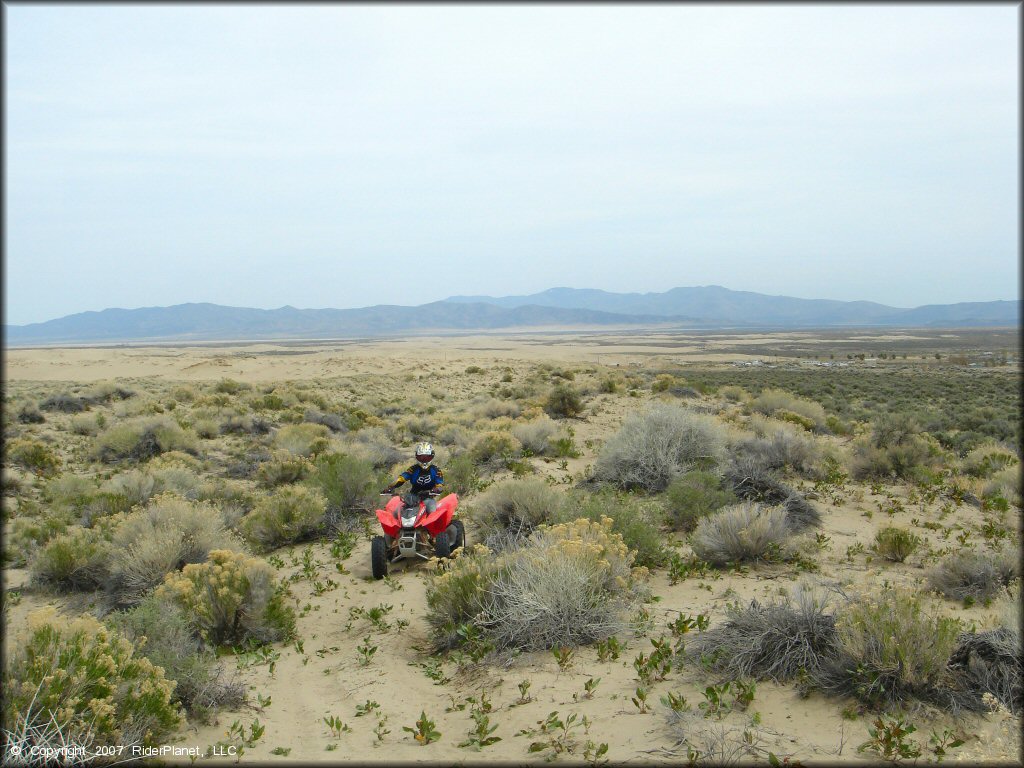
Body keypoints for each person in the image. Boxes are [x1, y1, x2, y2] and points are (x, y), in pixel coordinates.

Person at [383, 442, 444, 513]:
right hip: (412, 497)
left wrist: (437, 489)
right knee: (396, 512)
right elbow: (402, 478)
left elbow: (440, 484)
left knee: (432, 511)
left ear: (432, 457)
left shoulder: (436, 470)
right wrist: (390, 487)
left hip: (428, 498)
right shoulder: (413, 469)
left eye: (427, 457)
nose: (424, 460)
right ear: (417, 457)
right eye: (421, 457)